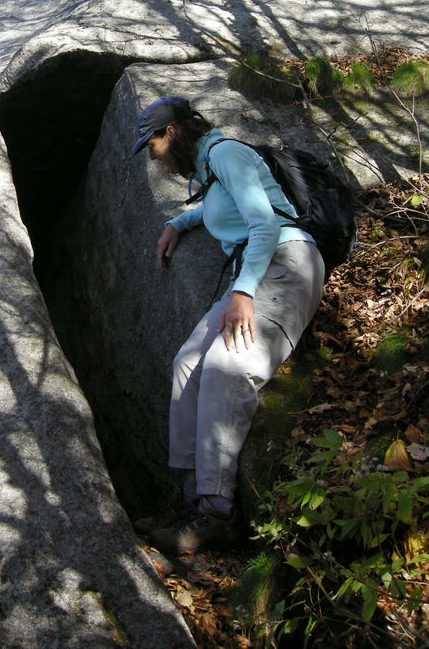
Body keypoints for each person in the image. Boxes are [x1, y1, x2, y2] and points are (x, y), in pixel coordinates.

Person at [130, 95, 324, 555]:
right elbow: (221, 209)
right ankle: (191, 497)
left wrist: (243, 292)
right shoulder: (211, 168)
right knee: (186, 364)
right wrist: (178, 222)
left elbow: (264, 224)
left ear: (171, 133)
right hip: (255, 272)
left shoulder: (227, 153)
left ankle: (217, 513)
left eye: (151, 145)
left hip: (285, 265)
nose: (153, 157)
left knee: (225, 366)